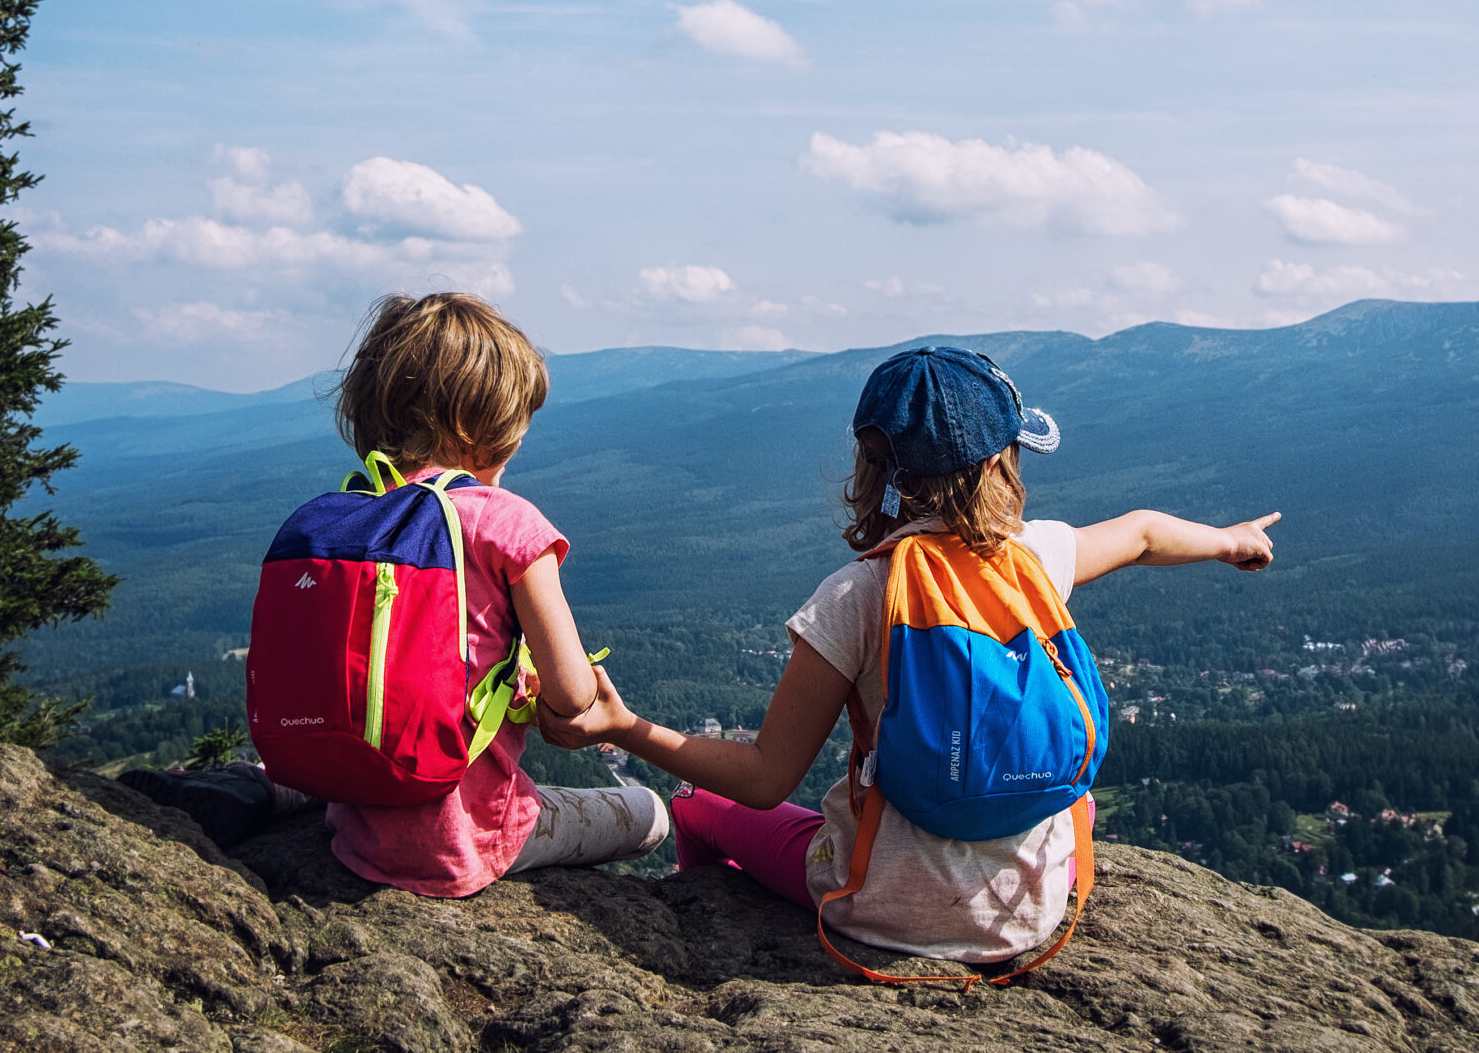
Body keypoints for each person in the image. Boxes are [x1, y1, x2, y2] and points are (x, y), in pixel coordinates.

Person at [541, 344, 1278, 966]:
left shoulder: (855, 596)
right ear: (1000, 465)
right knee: (1066, 782)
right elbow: (1146, 531)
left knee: (701, 809)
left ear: (875, 472)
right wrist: (1232, 538)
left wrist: (623, 726)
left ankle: (697, 930)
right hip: (1032, 913)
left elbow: (765, 778)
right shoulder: (1034, 556)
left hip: (877, 908)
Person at [136, 293, 668, 885]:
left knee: (366, 752)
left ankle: (259, 786)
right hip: (465, 843)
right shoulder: (507, 522)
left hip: (354, 817)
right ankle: (272, 787)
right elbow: (571, 697)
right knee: (650, 816)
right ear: (480, 431)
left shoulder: (355, 516)